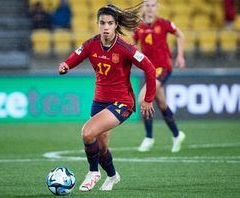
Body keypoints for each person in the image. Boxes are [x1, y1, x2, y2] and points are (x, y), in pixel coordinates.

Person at [58, 3, 156, 191]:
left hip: (122, 102)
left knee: (87, 133)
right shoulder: (91, 44)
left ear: (115, 24)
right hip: (99, 101)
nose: (106, 27)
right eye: (102, 23)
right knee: (101, 147)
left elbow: (150, 68)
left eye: (110, 23)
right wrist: (66, 65)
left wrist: (148, 98)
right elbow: (77, 55)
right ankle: (112, 176)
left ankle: (93, 172)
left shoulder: (125, 48)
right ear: (98, 24)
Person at [133, 0, 186, 153]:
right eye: (147, 5)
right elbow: (133, 45)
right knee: (162, 104)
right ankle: (177, 134)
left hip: (163, 68)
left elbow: (180, 35)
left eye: (153, 5)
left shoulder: (164, 24)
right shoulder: (139, 28)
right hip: (149, 70)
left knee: (143, 98)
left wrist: (180, 56)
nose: (150, 8)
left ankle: (149, 138)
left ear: (157, 8)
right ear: (143, 8)